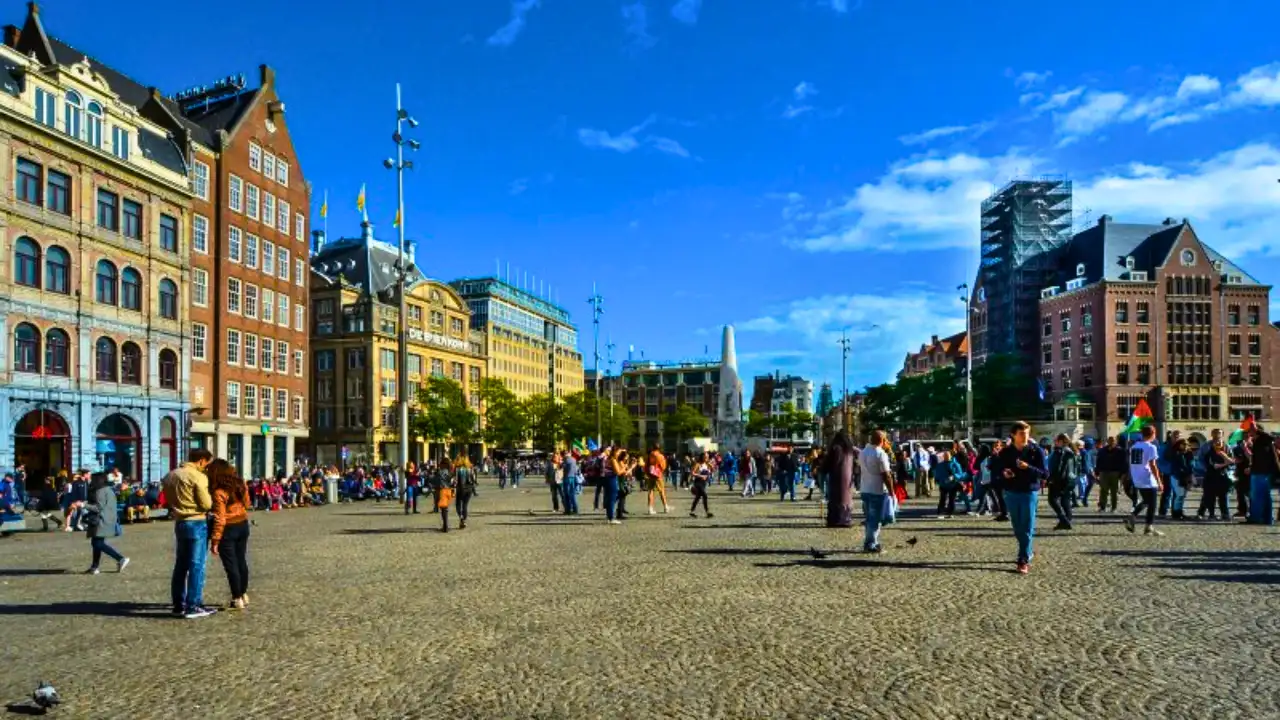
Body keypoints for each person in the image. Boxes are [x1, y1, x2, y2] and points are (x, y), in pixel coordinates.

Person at [162, 449, 216, 619]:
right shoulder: (198, 476)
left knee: (181, 565)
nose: (206, 467)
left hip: (180, 522)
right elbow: (206, 503)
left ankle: (179, 603)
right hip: (197, 521)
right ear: (201, 461)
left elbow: (167, 499)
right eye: (206, 463)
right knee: (197, 565)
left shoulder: (171, 475)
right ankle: (193, 604)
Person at [996, 421, 1048, 575]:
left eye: (1027, 432)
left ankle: (1023, 559)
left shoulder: (1036, 451)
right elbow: (997, 470)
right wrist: (1004, 473)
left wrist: (1028, 467)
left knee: (1027, 525)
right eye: (1021, 433)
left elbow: (1045, 473)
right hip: (1011, 492)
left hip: (1029, 492)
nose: (1025, 436)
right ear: (1013, 435)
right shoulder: (1005, 452)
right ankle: (1028, 550)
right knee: (1017, 527)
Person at [208, 459, 251, 610]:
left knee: (231, 565)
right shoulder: (240, 484)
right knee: (241, 561)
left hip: (228, 528)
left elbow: (220, 518)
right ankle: (244, 594)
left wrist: (215, 540)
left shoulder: (219, 492)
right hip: (243, 524)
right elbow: (247, 503)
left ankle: (237, 597)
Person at [82, 473, 129, 575]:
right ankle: (94, 567)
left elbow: (98, 508)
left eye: (92, 479)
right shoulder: (108, 490)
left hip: (101, 520)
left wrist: (83, 505)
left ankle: (120, 558)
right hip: (108, 519)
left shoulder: (100, 491)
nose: (91, 482)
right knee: (96, 542)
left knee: (97, 543)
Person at [1124, 425, 1164, 536]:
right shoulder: (1151, 447)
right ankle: (1148, 527)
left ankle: (1132, 517)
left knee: (1146, 501)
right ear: (1153, 433)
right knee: (1152, 504)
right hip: (1148, 478)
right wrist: (1159, 481)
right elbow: (1153, 465)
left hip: (1137, 477)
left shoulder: (1134, 446)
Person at [858, 431, 893, 551]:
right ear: (882, 440)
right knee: (875, 519)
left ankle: (872, 541)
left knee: (869, 518)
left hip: (864, 489)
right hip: (876, 490)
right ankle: (870, 544)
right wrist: (891, 491)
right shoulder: (880, 453)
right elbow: (886, 475)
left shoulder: (863, 452)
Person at [1046, 434, 1080, 531]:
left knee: (1052, 500)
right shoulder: (1072, 451)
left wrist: (1051, 479)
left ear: (1061, 441)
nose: (1054, 441)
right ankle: (1065, 521)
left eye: (1056, 440)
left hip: (1060, 480)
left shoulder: (1061, 451)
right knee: (1065, 501)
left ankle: (1064, 520)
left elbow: (1059, 467)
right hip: (1070, 479)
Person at [1247, 423, 1278, 525]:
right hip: (1260, 471)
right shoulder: (1258, 442)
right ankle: (1266, 519)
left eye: (1251, 430)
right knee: (1264, 496)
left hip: (1262, 473)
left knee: (1257, 496)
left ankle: (1256, 518)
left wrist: (1257, 430)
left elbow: (1270, 437)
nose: (1249, 432)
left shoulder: (1264, 441)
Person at [1197, 439, 1233, 521]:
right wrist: (1226, 463)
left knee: (1223, 497)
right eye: (1216, 443)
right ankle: (1211, 514)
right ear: (1213, 445)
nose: (1218, 445)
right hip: (1211, 477)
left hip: (1223, 478)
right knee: (1210, 497)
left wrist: (1224, 456)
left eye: (1220, 443)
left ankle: (1225, 514)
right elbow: (1215, 466)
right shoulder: (1209, 454)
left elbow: (1232, 461)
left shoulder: (1224, 452)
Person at [1096, 436, 1125, 513]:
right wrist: (1097, 472)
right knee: (1103, 491)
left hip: (1115, 472)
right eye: (1110, 440)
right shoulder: (1102, 450)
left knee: (1114, 491)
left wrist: (1122, 473)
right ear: (1108, 441)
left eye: (1113, 441)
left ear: (1116, 442)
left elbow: (1123, 463)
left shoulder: (1120, 451)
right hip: (1104, 472)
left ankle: (1114, 507)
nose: (1111, 442)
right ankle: (1102, 507)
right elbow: (1098, 461)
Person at [934, 452, 961, 519]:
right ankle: (940, 513)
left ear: (951, 456)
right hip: (943, 485)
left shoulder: (955, 464)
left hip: (953, 485)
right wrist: (939, 480)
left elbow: (960, 473)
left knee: (952, 500)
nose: (946, 457)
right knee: (942, 499)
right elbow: (937, 474)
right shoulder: (940, 465)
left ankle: (950, 513)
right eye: (945, 455)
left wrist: (954, 477)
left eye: (948, 455)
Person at [646, 443, 670, 514]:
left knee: (650, 491)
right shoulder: (660, 456)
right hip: (657, 474)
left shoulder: (650, 455)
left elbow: (646, 464)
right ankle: (665, 507)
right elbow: (663, 467)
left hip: (650, 474)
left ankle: (650, 508)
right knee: (661, 491)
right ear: (659, 448)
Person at [454, 457, 477, 529]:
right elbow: (474, 479)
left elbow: (454, 480)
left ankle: (461, 517)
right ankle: (464, 520)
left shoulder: (457, 469)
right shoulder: (470, 469)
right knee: (465, 505)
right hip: (469, 489)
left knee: (458, 504)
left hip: (460, 489)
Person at [689, 453, 714, 519]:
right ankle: (707, 512)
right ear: (702, 457)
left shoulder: (707, 464)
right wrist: (701, 476)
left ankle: (692, 511)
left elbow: (712, 471)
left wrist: (711, 466)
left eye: (707, 457)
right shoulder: (698, 464)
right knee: (705, 495)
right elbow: (692, 473)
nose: (706, 458)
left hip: (704, 483)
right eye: (705, 457)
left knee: (698, 497)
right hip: (698, 482)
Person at [435, 459, 455, 532]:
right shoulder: (450, 472)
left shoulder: (440, 472)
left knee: (443, 510)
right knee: (445, 509)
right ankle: (445, 525)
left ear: (443, 464)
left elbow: (437, 481)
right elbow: (453, 482)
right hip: (448, 491)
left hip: (442, 491)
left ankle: (445, 526)